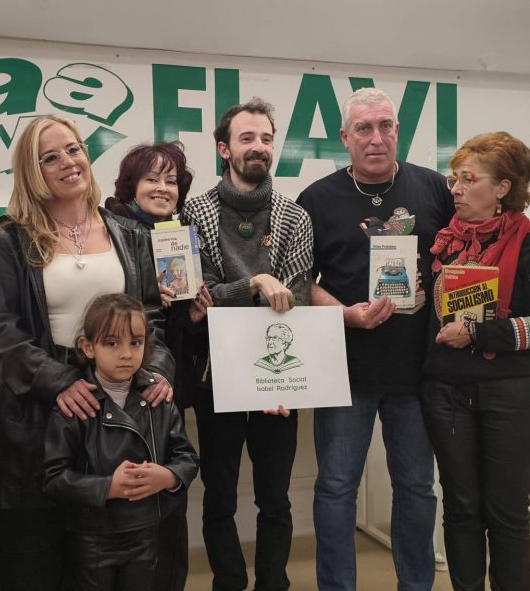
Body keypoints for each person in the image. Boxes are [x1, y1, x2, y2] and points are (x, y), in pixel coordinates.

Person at [0, 115, 174, 591]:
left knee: (103, 570)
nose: (68, 162)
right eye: (50, 157)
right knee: (30, 565)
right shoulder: (10, 238)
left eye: (74, 149)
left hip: (112, 415)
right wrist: (59, 381)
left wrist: (158, 368)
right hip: (33, 419)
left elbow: (151, 317)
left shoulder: (128, 233)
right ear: (33, 171)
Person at [297, 87, 454, 591]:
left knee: (417, 488)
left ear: (398, 131)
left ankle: (417, 585)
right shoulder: (316, 199)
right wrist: (344, 315)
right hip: (345, 371)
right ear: (345, 137)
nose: (376, 138)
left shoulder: (433, 188)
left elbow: (456, 262)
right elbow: (301, 282)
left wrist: (441, 285)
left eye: (386, 126)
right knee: (335, 489)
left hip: (417, 371)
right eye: (364, 128)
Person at [181, 98, 313, 591]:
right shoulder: (194, 211)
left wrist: (234, 294)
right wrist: (256, 281)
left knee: (275, 498)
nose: (258, 147)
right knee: (218, 497)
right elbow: (199, 298)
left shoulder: (295, 217)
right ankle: (229, 582)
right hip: (215, 378)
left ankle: (273, 583)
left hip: (277, 377)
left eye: (266, 138)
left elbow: (295, 300)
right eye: (246, 138)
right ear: (224, 149)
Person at [422, 132, 530, 591]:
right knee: (462, 508)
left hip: (508, 391)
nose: (456, 190)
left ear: (503, 188)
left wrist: (480, 333)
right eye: (455, 179)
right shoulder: (445, 242)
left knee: (507, 511)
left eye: (469, 180)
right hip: (446, 391)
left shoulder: (527, 242)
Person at [105, 140, 211, 591]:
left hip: (168, 390)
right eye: (151, 179)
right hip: (117, 391)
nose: (162, 188)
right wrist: (147, 301)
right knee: (124, 497)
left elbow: (182, 338)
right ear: (131, 185)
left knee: (168, 501)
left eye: (171, 181)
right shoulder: (110, 233)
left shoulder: (183, 236)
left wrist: (191, 313)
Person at [42, 293, 199, 591]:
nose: (126, 354)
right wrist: (107, 487)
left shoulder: (158, 397)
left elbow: (187, 457)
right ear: (88, 347)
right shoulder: (76, 403)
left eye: (135, 343)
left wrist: (167, 476)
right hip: (91, 538)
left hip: (147, 533)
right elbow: (54, 479)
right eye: (112, 344)